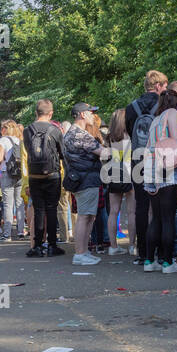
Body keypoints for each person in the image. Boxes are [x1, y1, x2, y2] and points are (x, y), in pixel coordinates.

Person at [125, 70, 168, 265]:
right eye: (165, 86)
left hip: (137, 159)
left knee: (141, 206)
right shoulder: (163, 105)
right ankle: (159, 251)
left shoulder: (130, 107)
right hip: (158, 158)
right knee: (159, 206)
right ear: (158, 86)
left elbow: (128, 131)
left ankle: (143, 253)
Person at [142, 88, 177, 273]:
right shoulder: (172, 113)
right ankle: (168, 262)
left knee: (156, 218)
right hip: (168, 169)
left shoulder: (155, 120)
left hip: (151, 169)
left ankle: (149, 261)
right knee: (168, 218)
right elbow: (176, 142)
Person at [63, 103, 105, 266]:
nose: (93, 116)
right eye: (90, 113)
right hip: (86, 179)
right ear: (81, 114)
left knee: (89, 216)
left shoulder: (71, 133)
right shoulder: (80, 134)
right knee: (84, 216)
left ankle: (84, 251)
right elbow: (103, 152)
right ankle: (80, 253)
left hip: (82, 179)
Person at [24, 100, 66, 256]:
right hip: (52, 174)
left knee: (39, 209)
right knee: (52, 209)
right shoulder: (55, 130)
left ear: (36, 112)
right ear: (51, 113)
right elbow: (62, 153)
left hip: (34, 175)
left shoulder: (27, 130)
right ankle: (52, 245)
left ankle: (37, 245)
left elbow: (29, 150)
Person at [103, 110, 134, 256]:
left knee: (113, 212)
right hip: (130, 173)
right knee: (131, 211)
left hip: (114, 173)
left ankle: (113, 246)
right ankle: (132, 245)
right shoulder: (129, 135)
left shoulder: (109, 137)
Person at [0, 120, 25, 239]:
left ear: (5, 128)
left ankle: (7, 234)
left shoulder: (3, 140)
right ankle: (20, 231)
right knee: (20, 204)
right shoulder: (19, 140)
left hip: (7, 173)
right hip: (19, 173)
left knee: (8, 204)